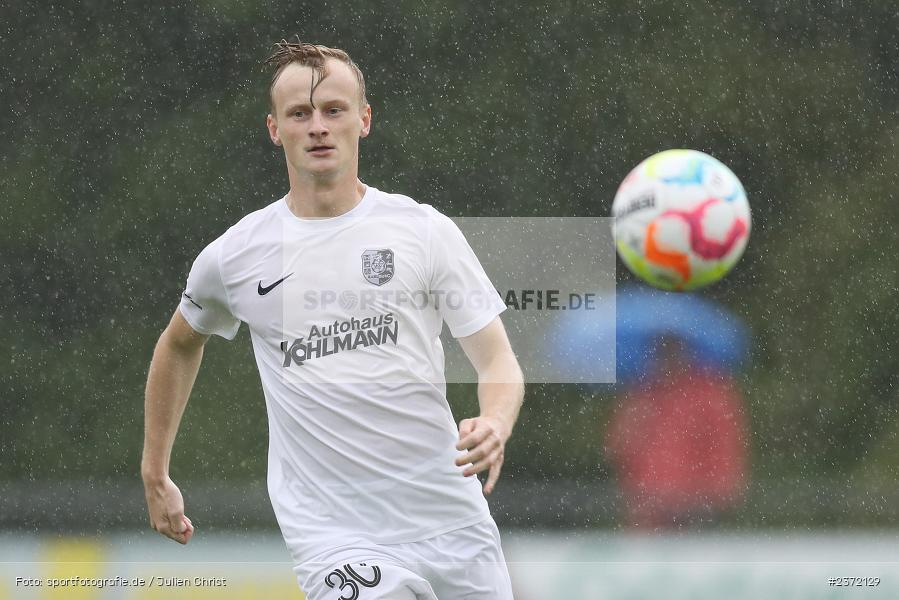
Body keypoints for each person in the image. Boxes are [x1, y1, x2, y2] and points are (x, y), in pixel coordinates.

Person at [141, 40, 524, 599]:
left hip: (450, 520)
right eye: (300, 113)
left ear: (363, 120)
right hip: (334, 535)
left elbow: (498, 361)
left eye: (333, 110)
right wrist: (156, 470)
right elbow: (179, 344)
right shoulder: (236, 254)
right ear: (275, 129)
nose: (317, 126)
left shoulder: (421, 231)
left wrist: (494, 422)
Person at [604, 335, 747, 529]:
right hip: (648, 507)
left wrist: (718, 493)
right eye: (660, 350)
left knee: (694, 557)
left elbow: (724, 447)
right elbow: (617, 450)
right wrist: (633, 421)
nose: (666, 357)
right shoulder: (642, 393)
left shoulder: (710, 392)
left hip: (696, 505)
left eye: (672, 349)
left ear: (686, 351)